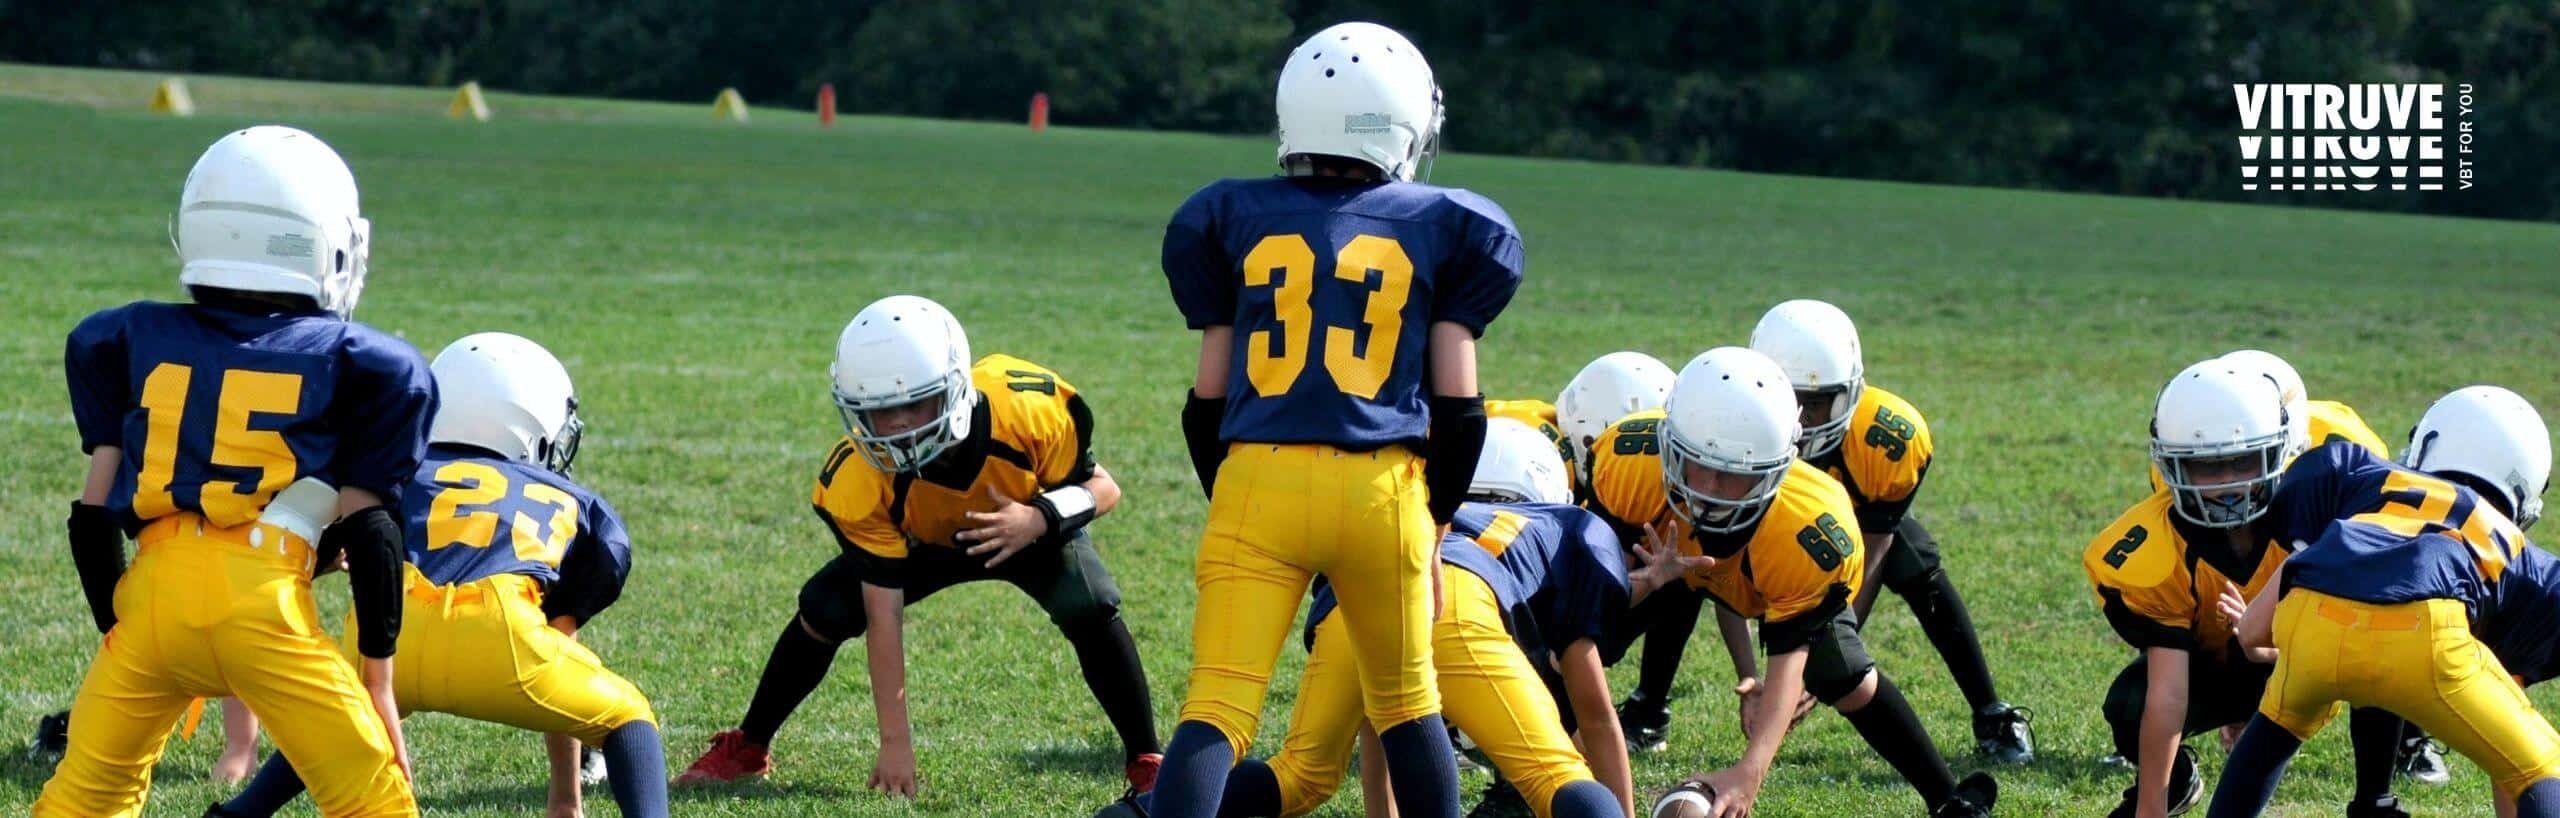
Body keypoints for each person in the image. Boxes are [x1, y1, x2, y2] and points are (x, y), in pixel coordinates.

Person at [1149, 19, 1524, 818]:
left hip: (1258, 476)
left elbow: (1205, 401)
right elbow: (1461, 410)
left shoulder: (1229, 214)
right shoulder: (1448, 223)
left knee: (1216, 709)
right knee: (1408, 708)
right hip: (1382, 492)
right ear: (1404, 125)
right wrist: (1432, 524)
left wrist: (1238, 493)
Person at [39, 125, 427, 817]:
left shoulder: (125, 335)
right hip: (264, 609)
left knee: (85, 797)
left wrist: (117, 626)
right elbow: (372, 534)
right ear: (325, 244)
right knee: (371, 800)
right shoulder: (365, 363)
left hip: (152, 602)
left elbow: (93, 513)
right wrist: (378, 681)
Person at [677, 295, 1158, 797]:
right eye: (880, 411)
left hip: (1022, 527)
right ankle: (749, 746)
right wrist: (895, 743)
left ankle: (1146, 756)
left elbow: (1104, 488)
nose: (897, 426)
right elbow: (883, 616)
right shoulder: (859, 478)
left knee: (1091, 600)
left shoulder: (1026, 410)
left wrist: (1037, 518)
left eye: (914, 404)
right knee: (826, 606)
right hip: (922, 544)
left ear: (955, 387)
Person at [211, 332, 667, 818]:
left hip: (394, 632)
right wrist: (564, 798)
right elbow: (563, 632)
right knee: (629, 718)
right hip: (500, 635)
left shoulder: (393, 469)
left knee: (344, 717)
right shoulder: (575, 502)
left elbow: (308, 546)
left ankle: (242, 812)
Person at [1602, 348, 1995, 817]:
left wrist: (1749, 773)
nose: (1709, 489)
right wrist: (1637, 587)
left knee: (1844, 673)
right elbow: (1574, 617)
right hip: (1663, 560)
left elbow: (1791, 657)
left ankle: (1948, 799)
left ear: (1777, 468)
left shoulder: (1809, 527)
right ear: (1670, 446)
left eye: (1733, 475)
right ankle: (1535, 766)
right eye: (1698, 464)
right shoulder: (1630, 467)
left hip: (1767, 569)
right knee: (1583, 625)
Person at [2206, 385, 2557, 817]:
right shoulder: (2509, 544)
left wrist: (2278, 649)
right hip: (2424, 630)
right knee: (2541, 769)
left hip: (2315, 613)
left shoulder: (2365, 477)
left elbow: (2255, 627)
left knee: (2274, 728)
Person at [2083, 359, 2401, 818]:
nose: (2228, 483)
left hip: (2321, 656)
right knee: (2131, 704)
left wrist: (2264, 645)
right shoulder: (2159, 546)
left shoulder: (2321, 510)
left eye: (2242, 460)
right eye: (2205, 467)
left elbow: (2357, 641)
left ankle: (2377, 798)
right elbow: (2168, 693)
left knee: (2384, 649)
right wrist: (2150, 808)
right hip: (2220, 662)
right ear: (2170, 465)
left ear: (2283, 449)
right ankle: (2175, 785)